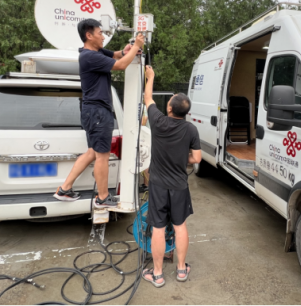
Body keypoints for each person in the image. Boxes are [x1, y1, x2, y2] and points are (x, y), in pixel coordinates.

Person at [53, 18, 145, 209]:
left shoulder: (96, 52)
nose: (103, 36)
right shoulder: (89, 56)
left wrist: (127, 50)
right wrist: (136, 46)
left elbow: (117, 55)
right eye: (100, 33)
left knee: (92, 152)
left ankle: (64, 189)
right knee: (102, 155)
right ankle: (102, 198)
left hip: (92, 111)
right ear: (89, 35)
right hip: (98, 112)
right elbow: (120, 65)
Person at [141, 65, 202, 288]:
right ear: (186, 112)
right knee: (180, 225)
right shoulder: (191, 129)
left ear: (169, 108)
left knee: (158, 227)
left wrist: (151, 76)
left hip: (158, 184)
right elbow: (197, 158)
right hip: (179, 185)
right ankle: (181, 270)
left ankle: (157, 275)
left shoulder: (157, 121)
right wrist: (181, 158)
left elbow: (148, 98)